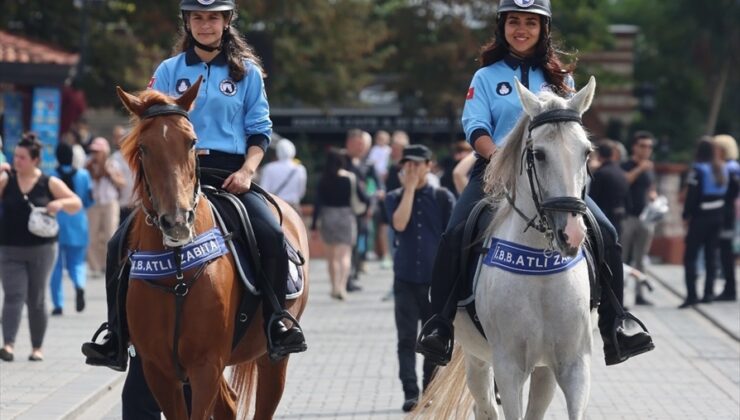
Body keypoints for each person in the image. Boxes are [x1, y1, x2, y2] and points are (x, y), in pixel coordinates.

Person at [415, 0, 654, 367]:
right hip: (494, 171)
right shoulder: (486, 77)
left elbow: (569, 133)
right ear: (502, 26)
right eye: (514, 21)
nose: (521, 29)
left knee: (607, 234)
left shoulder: (563, 79)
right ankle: (441, 325)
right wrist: (501, 160)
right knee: (454, 234)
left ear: (543, 29)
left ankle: (615, 323)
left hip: (553, 178)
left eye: (530, 22)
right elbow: (475, 125)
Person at [82, 0, 306, 378]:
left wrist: (249, 171)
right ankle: (116, 335)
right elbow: (151, 123)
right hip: (177, 175)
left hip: (230, 175)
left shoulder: (247, 72)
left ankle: (276, 321)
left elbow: (259, 129)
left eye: (213, 18)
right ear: (187, 22)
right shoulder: (169, 70)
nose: (205, 25)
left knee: (270, 234)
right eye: (198, 18)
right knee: (118, 242)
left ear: (226, 22)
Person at [0, 134, 82, 362]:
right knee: (13, 295)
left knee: (36, 298)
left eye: (22, 157)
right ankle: (8, 344)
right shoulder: (7, 180)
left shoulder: (49, 182)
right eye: (15, 156)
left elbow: (76, 203)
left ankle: (37, 347)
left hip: (42, 250)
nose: (17, 161)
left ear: (35, 160)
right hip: (9, 248)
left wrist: (60, 204)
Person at [385, 144, 454, 412]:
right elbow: (399, 224)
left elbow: (451, 237)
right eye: (407, 164)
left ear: (429, 165)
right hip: (404, 279)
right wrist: (410, 189)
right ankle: (410, 392)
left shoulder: (442, 197)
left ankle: (430, 390)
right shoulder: (395, 196)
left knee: (433, 340)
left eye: (417, 164)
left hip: (433, 282)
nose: (411, 169)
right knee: (405, 339)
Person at [679, 138, 729, 308]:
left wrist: (686, 215)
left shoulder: (698, 170)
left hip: (700, 218)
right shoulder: (722, 168)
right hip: (718, 216)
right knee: (711, 256)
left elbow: (692, 196)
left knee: (690, 257)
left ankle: (692, 295)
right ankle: (708, 293)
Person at [311, 148, 365, 300]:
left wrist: (314, 225)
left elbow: (317, 204)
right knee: (345, 255)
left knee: (331, 257)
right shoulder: (350, 178)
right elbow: (363, 197)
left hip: (328, 216)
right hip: (346, 216)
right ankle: (342, 287)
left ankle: (334, 287)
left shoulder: (323, 179)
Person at [50, 142, 94, 315]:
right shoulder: (84, 175)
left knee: (55, 267)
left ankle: (58, 304)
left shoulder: (52, 176)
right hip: (78, 222)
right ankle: (79, 285)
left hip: (57, 223)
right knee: (77, 263)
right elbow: (89, 200)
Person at [620, 131, 657, 305]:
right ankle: (620, 295)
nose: (646, 150)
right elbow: (624, 181)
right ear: (634, 147)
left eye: (649, 146)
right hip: (629, 217)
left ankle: (640, 294)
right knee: (623, 258)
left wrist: (653, 195)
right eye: (643, 146)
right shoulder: (626, 165)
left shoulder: (650, 167)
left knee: (641, 258)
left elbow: (650, 187)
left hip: (646, 218)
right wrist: (640, 168)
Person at [85, 137, 125, 277]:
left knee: (110, 234)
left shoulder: (112, 164)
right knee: (92, 235)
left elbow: (122, 183)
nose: (95, 154)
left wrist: (110, 175)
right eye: (93, 151)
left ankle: (109, 264)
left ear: (104, 152)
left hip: (109, 203)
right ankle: (95, 267)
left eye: (98, 151)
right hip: (94, 203)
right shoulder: (88, 164)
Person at [712, 134, 739, 301]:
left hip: (727, 215)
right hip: (730, 215)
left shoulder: (728, 168)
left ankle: (729, 289)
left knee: (726, 254)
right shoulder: (734, 167)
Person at [589, 139, 629, 235]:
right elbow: (628, 200)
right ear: (612, 154)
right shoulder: (621, 173)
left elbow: (592, 201)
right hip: (619, 220)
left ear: (599, 155)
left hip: (603, 222)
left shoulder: (600, 173)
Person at [259, 138, 307, 215]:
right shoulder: (300, 168)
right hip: (293, 207)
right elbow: (301, 192)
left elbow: (264, 190)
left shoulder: (269, 168)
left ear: (278, 152)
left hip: (275, 206)